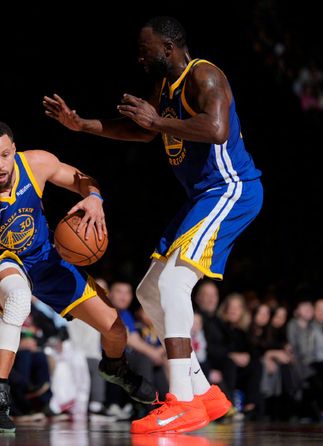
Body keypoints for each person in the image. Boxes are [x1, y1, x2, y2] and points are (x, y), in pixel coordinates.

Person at [43, 16, 262, 433]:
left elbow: (216, 129)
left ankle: (182, 400)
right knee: (149, 291)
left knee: (174, 284)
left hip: (231, 188)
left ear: (168, 48)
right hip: (202, 196)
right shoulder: (166, 86)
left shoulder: (205, 76)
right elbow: (142, 131)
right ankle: (204, 393)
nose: (140, 58)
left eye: (146, 50)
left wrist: (156, 122)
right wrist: (82, 125)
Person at [0, 120, 155, 433]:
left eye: (5, 155)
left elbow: (83, 180)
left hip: (45, 257)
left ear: (14, 150)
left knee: (114, 328)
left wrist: (94, 198)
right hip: (3, 262)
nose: (0, 165)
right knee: (19, 300)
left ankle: (115, 366)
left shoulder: (36, 164)